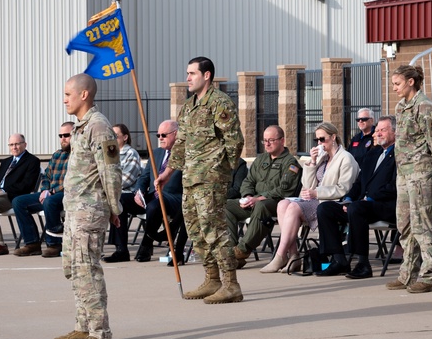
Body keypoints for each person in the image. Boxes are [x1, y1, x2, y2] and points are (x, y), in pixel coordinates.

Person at [156, 57, 246, 303]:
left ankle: (231, 284)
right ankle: (212, 279)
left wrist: (221, 172)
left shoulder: (219, 103)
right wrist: (167, 172)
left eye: (192, 73)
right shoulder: (187, 107)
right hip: (190, 179)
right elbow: (181, 143)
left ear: (206, 75)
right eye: (187, 73)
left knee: (215, 231)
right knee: (196, 230)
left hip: (211, 180)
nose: (187, 78)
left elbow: (235, 141)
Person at [53, 74, 122, 339]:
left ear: (85, 95)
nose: (64, 99)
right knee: (74, 270)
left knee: (87, 270)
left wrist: (114, 208)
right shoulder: (81, 128)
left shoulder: (99, 127)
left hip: (90, 211)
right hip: (75, 211)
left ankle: (100, 332)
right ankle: (83, 326)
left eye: (68, 94)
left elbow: (110, 170)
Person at [261, 121, 358, 274]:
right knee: (282, 204)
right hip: (314, 199)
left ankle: (280, 255)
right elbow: (307, 185)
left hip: (331, 202)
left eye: (322, 139)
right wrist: (312, 163)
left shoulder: (345, 158)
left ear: (333, 137)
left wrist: (317, 193)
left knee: (293, 207)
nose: (319, 143)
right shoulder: (323, 157)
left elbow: (344, 188)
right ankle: (293, 255)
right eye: (316, 140)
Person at [315, 116, 397, 278]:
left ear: (395, 132)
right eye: (377, 130)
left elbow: (394, 186)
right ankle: (339, 260)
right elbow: (359, 184)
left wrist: (369, 199)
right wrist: (348, 199)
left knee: (357, 208)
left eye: (383, 130)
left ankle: (363, 264)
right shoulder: (372, 155)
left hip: (386, 206)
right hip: (362, 205)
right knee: (325, 208)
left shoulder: (399, 155)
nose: (378, 133)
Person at [386, 64, 432, 293]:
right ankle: (407, 272)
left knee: (422, 223)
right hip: (404, 172)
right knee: (405, 223)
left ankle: (428, 275)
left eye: (397, 84)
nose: (394, 89)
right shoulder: (401, 107)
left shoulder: (426, 107)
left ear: (411, 82)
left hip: (422, 171)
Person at [226, 125, 302, 268]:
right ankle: (231, 251)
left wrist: (259, 198)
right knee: (227, 205)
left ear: (282, 141)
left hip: (276, 204)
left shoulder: (291, 163)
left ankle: (242, 250)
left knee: (262, 206)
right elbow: (248, 181)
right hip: (254, 202)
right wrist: (248, 196)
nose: (267, 144)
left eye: (271, 140)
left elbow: (284, 190)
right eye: (264, 140)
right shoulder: (260, 160)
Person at [124, 120, 187, 264]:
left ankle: (147, 242)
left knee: (155, 205)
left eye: (163, 135)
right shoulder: (156, 153)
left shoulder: (184, 153)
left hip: (174, 198)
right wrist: (139, 192)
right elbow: (144, 177)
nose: (160, 138)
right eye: (158, 135)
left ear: (175, 134)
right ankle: (121, 249)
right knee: (121, 201)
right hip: (153, 195)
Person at [11, 123, 74, 258]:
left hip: (69, 194)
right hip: (51, 193)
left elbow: (73, 180)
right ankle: (32, 243)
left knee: (49, 201)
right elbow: (46, 176)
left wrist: (52, 191)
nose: (63, 138)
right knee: (18, 202)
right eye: (60, 135)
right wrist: (45, 189)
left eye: (66, 135)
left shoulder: (79, 155)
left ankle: (54, 244)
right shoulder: (57, 154)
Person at [103, 123, 143, 262]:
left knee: (118, 202)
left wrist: (106, 187)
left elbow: (126, 180)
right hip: (112, 193)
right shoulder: (108, 154)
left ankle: (121, 250)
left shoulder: (131, 154)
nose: (112, 139)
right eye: (110, 136)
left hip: (131, 196)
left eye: (115, 136)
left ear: (125, 137)